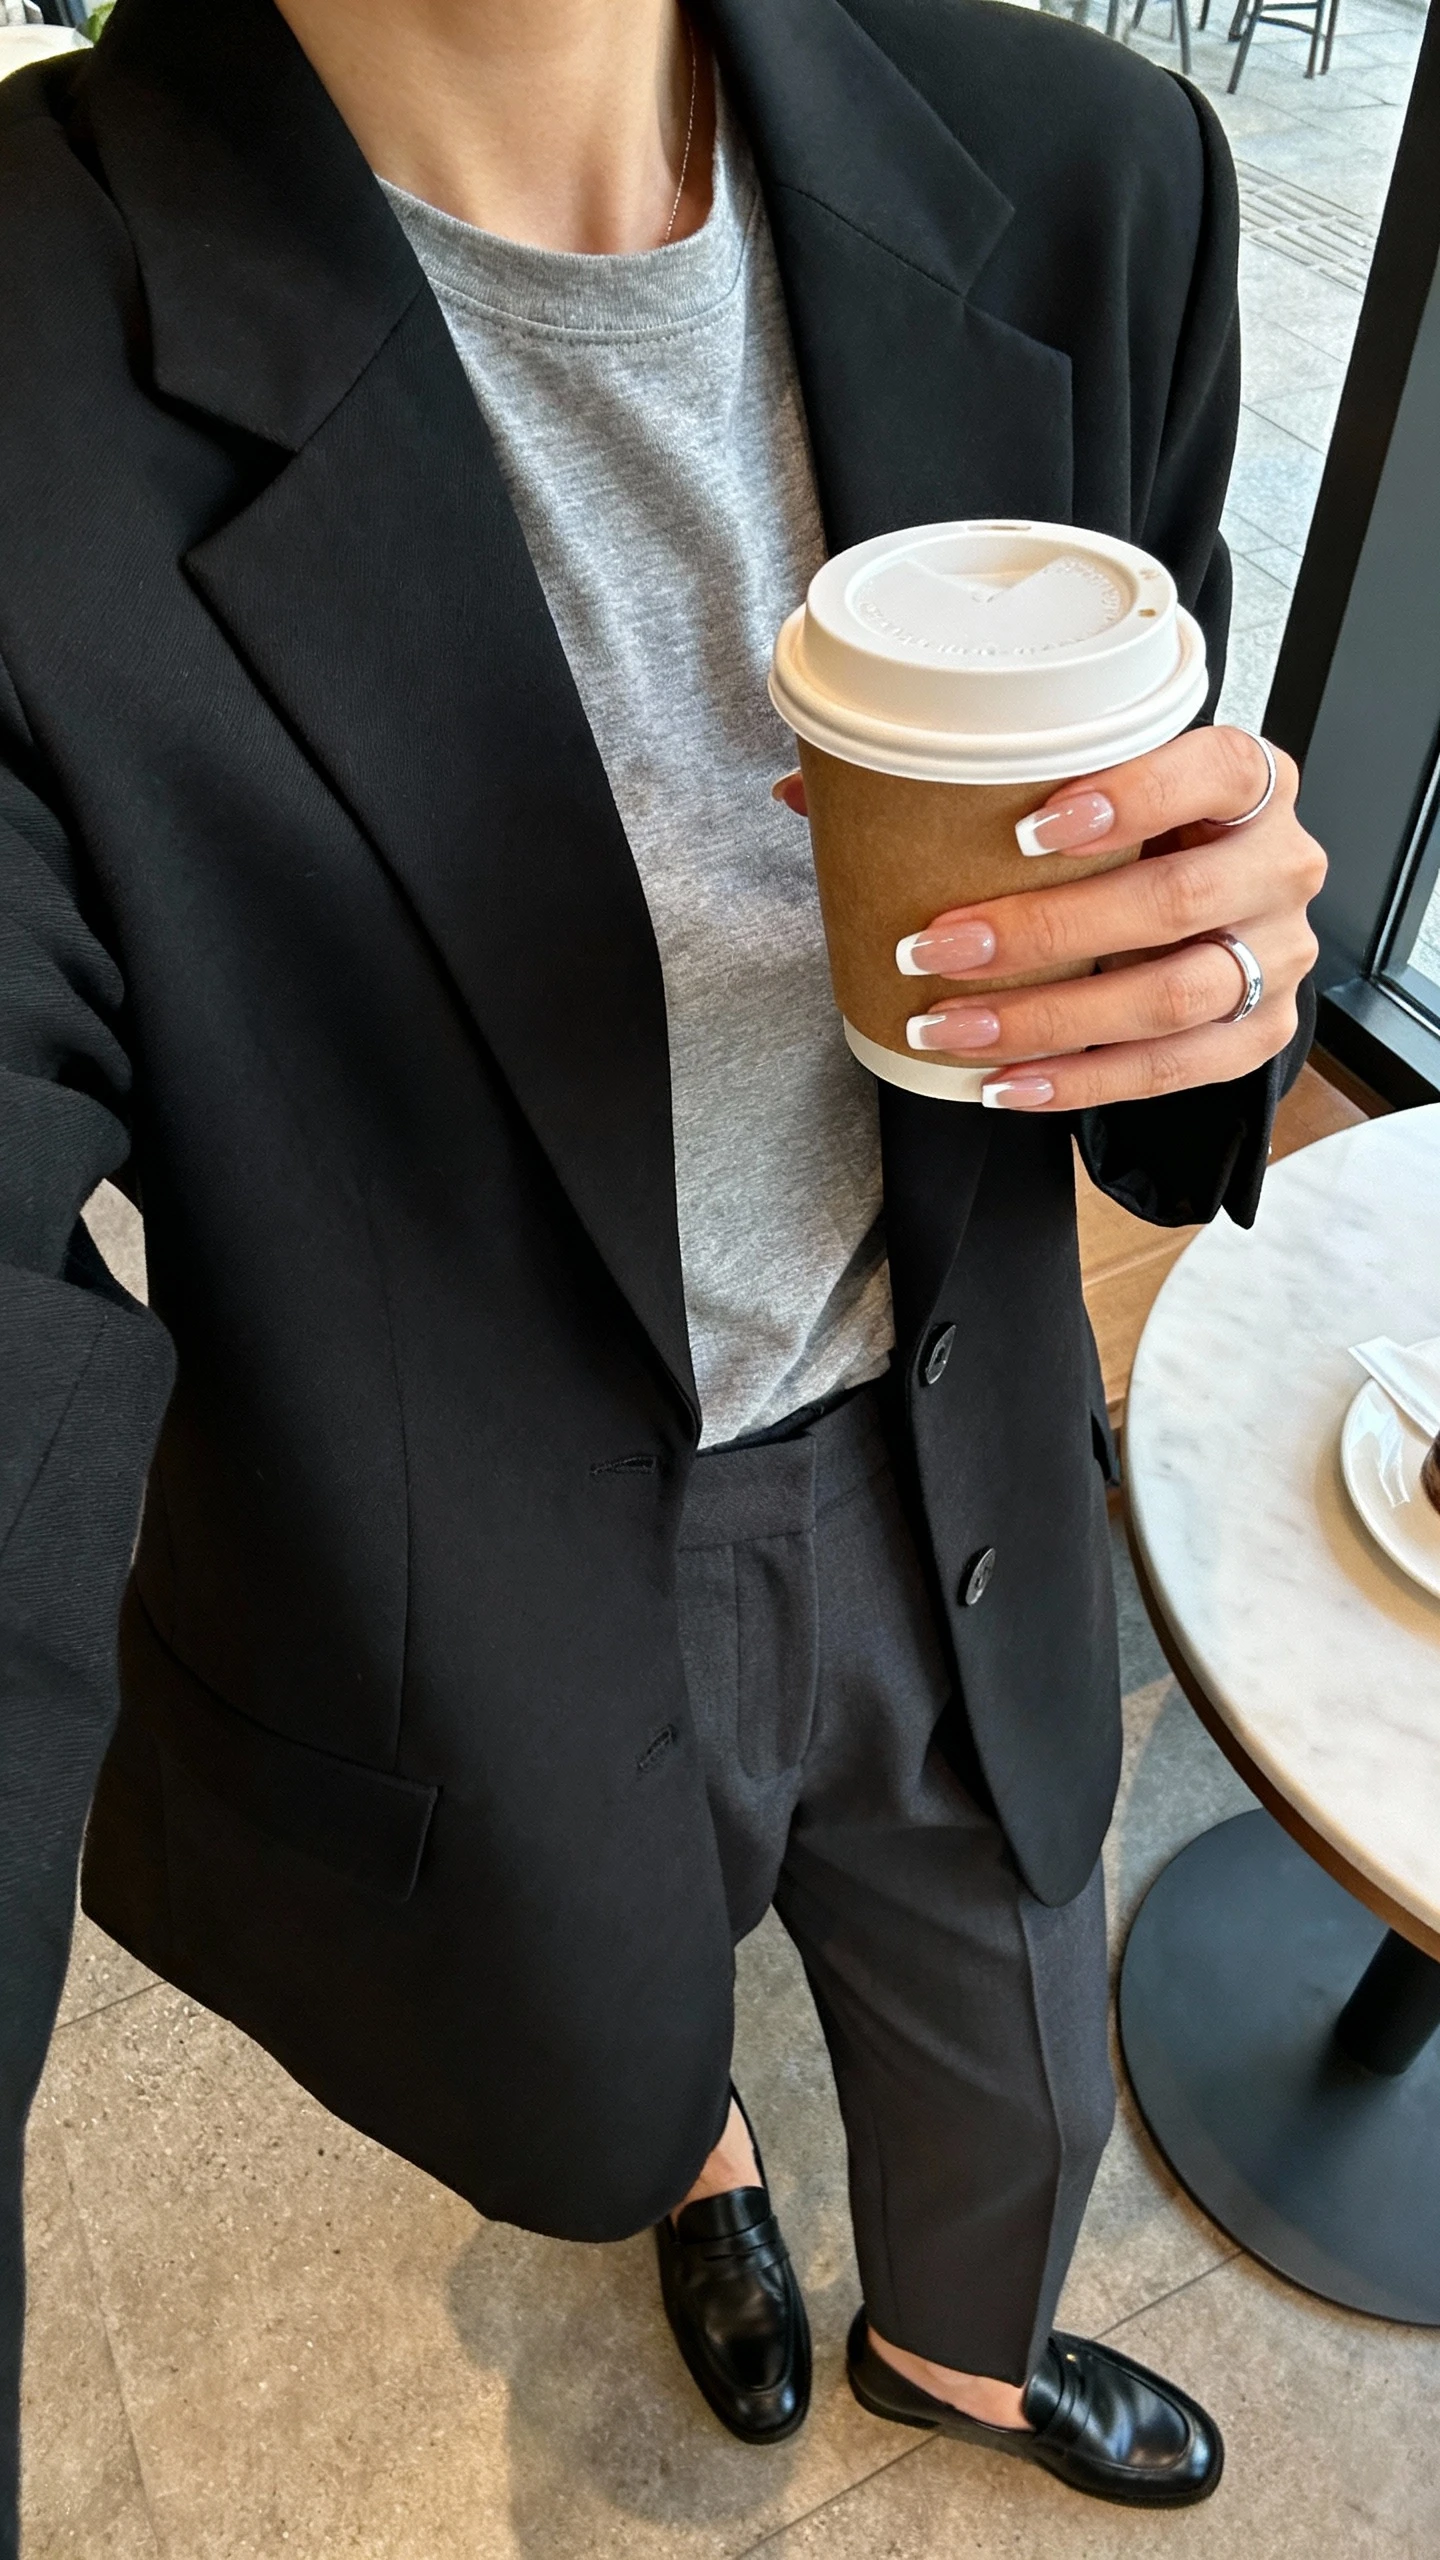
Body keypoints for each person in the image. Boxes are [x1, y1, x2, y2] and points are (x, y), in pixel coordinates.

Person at [0, 0, 1325, 2539]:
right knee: (611, 2041)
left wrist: (1219, 992)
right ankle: (701, 2161)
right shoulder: (33, 352)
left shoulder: (1094, 178)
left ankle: (963, 2353)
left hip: (946, 1458)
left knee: (1025, 2058)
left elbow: (1143, 1016)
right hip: (473, 1594)